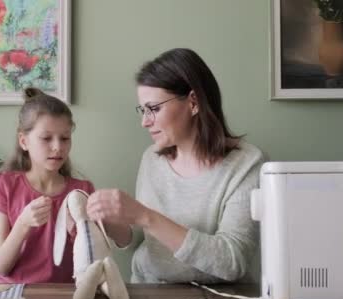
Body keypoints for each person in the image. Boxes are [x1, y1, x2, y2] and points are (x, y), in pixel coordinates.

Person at [86, 48, 264, 284]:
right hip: (148, 290)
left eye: (154, 109)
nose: (144, 122)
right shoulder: (152, 158)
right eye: (143, 110)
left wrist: (145, 215)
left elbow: (232, 261)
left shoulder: (247, 164)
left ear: (193, 102)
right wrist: (106, 221)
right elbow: (141, 237)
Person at [0, 88, 94, 284]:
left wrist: (79, 231)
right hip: (13, 294)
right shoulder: (4, 184)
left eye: (64, 138)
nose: (57, 147)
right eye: (46, 138)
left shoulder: (82, 191)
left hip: (64, 296)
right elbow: (0, 267)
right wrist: (23, 224)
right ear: (24, 141)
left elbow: (91, 257)